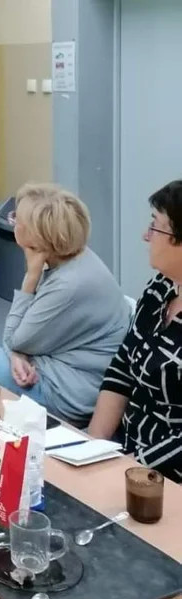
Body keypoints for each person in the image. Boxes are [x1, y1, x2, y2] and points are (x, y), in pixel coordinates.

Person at [0, 184, 130, 425]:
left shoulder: (67, 285)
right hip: (61, 373)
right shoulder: (76, 257)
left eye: (17, 218)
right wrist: (17, 353)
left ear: (36, 235)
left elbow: (13, 339)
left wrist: (30, 279)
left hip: (63, 394)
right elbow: (18, 342)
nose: (12, 221)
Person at [89, 180, 182, 482]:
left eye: (156, 227)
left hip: (165, 477)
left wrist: (129, 468)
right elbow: (122, 368)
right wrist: (93, 447)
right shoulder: (160, 288)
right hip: (126, 454)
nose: (146, 235)